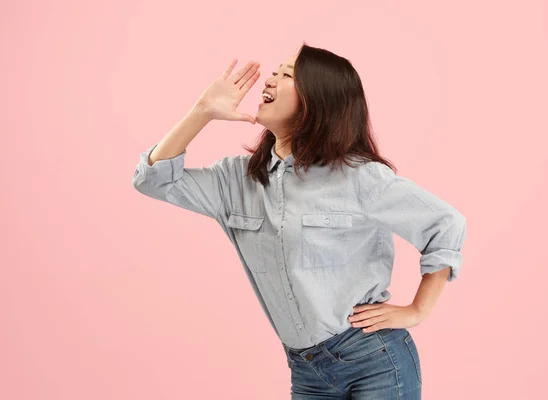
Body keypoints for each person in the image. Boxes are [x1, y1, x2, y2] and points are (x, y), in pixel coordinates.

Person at [132, 43, 467, 399]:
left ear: (317, 97)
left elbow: (446, 224)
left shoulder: (358, 177)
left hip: (375, 360)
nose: (270, 79)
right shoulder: (235, 181)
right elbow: (152, 180)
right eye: (275, 72)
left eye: (286, 74)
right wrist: (201, 112)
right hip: (307, 371)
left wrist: (418, 309)